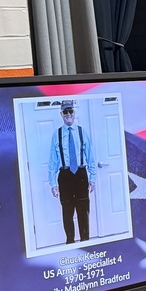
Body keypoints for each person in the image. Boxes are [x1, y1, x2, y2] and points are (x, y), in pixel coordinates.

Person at [48, 100, 95, 244]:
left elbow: (90, 156)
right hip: (65, 177)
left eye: (71, 111)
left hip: (80, 175)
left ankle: (85, 241)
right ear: (61, 114)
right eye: (65, 112)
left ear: (74, 113)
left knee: (83, 211)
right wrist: (53, 183)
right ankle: (70, 242)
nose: (68, 114)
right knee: (67, 212)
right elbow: (52, 161)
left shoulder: (82, 132)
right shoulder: (57, 134)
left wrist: (92, 178)